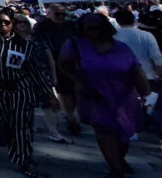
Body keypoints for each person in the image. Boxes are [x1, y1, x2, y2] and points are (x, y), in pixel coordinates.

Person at [59, 13, 151, 178]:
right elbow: (64, 64)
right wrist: (77, 80)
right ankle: (115, 168)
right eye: (89, 27)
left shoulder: (121, 47)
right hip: (94, 95)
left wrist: (146, 92)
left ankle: (119, 159)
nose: (94, 30)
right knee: (104, 131)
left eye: (97, 27)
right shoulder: (75, 45)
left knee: (125, 133)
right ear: (82, 29)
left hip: (124, 96)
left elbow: (136, 69)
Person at [0, 10, 57, 177]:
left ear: (12, 24)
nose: (3, 25)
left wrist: (49, 95)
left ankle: (23, 158)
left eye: (6, 22)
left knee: (21, 124)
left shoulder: (25, 45)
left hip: (21, 88)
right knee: (7, 124)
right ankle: (17, 150)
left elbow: (35, 71)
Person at [14, 13, 68, 143]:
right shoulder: (10, 41)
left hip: (42, 75)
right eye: (18, 22)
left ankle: (53, 131)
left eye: (24, 22)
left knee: (48, 104)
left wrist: (54, 76)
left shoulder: (37, 38)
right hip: (22, 77)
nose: (22, 25)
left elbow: (49, 58)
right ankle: (28, 129)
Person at [34, 3, 82, 135]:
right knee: (65, 91)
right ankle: (71, 117)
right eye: (57, 14)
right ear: (49, 14)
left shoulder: (71, 26)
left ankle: (72, 115)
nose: (61, 16)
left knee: (75, 90)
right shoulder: (42, 27)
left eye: (63, 14)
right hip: (55, 63)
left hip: (72, 62)